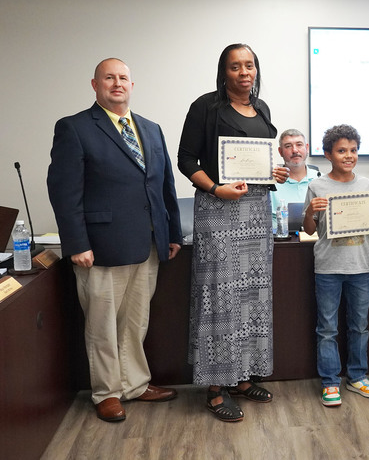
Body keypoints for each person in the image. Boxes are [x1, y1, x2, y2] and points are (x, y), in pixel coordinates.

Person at [47, 58, 182, 423]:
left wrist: (172, 232)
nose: (117, 83)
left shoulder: (151, 129)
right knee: (103, 324)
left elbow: (164, 184)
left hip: (149, 243)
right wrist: (76, 243)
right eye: (109, 77)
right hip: (100, 246)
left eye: (123, 78)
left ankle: (135, 384)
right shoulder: (74, 128)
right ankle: (106, 392)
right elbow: (64, 192)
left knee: (136, 322)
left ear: (132, 86)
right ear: (95, 84)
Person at [177, 43, 289, 422]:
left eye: (250, 65)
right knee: (220, 297)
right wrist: (214, 188)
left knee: (252, 296)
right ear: (224, 72)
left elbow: (261, 159)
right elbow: (186, 159)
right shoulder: (206, 107)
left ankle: (241, 377)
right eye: (235, 66)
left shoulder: (263, 110)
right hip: (219, 210)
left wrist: (276, 172)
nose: (244, 72)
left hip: (257, 211)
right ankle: (214, 387)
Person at [302, 124, 369, 407]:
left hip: (360, 266)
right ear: (328, 154)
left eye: (353, 150)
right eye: (342, 151)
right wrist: (310, 211)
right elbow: (309, 229)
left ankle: (357, 377)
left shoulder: (367, 185)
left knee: (359, 326)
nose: (349, 155)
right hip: (328, 267)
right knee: (327, 328)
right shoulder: (317, 185)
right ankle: (330, 382)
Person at [269, 128, 319, 229]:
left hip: (315, 241)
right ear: (280, 151)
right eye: (288, 146)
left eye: (299, 145)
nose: (295, 150)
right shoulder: (270, 183)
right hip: (282, 242)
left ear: (307, 147)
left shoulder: (321, 179)